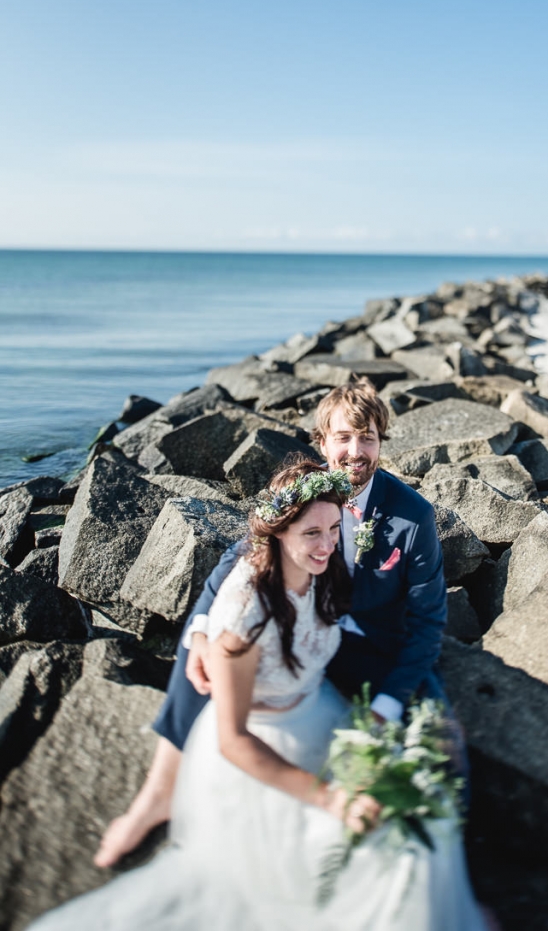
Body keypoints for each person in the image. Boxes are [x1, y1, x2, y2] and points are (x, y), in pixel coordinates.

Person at [30, 459, 488, 931]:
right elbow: (234, 741)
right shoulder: (246, 610)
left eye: (334, 528)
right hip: (261, 757)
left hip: (322, 717)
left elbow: (404, 609)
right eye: (312, 533)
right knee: (385, 851)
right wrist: (330, 798)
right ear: (278, 532)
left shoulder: (325, 566)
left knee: (422, 806)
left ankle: (450, 910)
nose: (329, 543)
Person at [96, 376, 457, 868]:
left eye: (368, 437)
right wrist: (200, 629)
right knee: (200, 644)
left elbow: (428, 622)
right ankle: (157, 794)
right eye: (344, 438)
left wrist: (388, 704)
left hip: (370, 644)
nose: (356, 451)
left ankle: (441, 855)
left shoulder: (412, 516)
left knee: (437, 725)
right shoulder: (302, 493)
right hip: (298, 630)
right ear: (322, 442)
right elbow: (233, 563)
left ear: (381, 441)